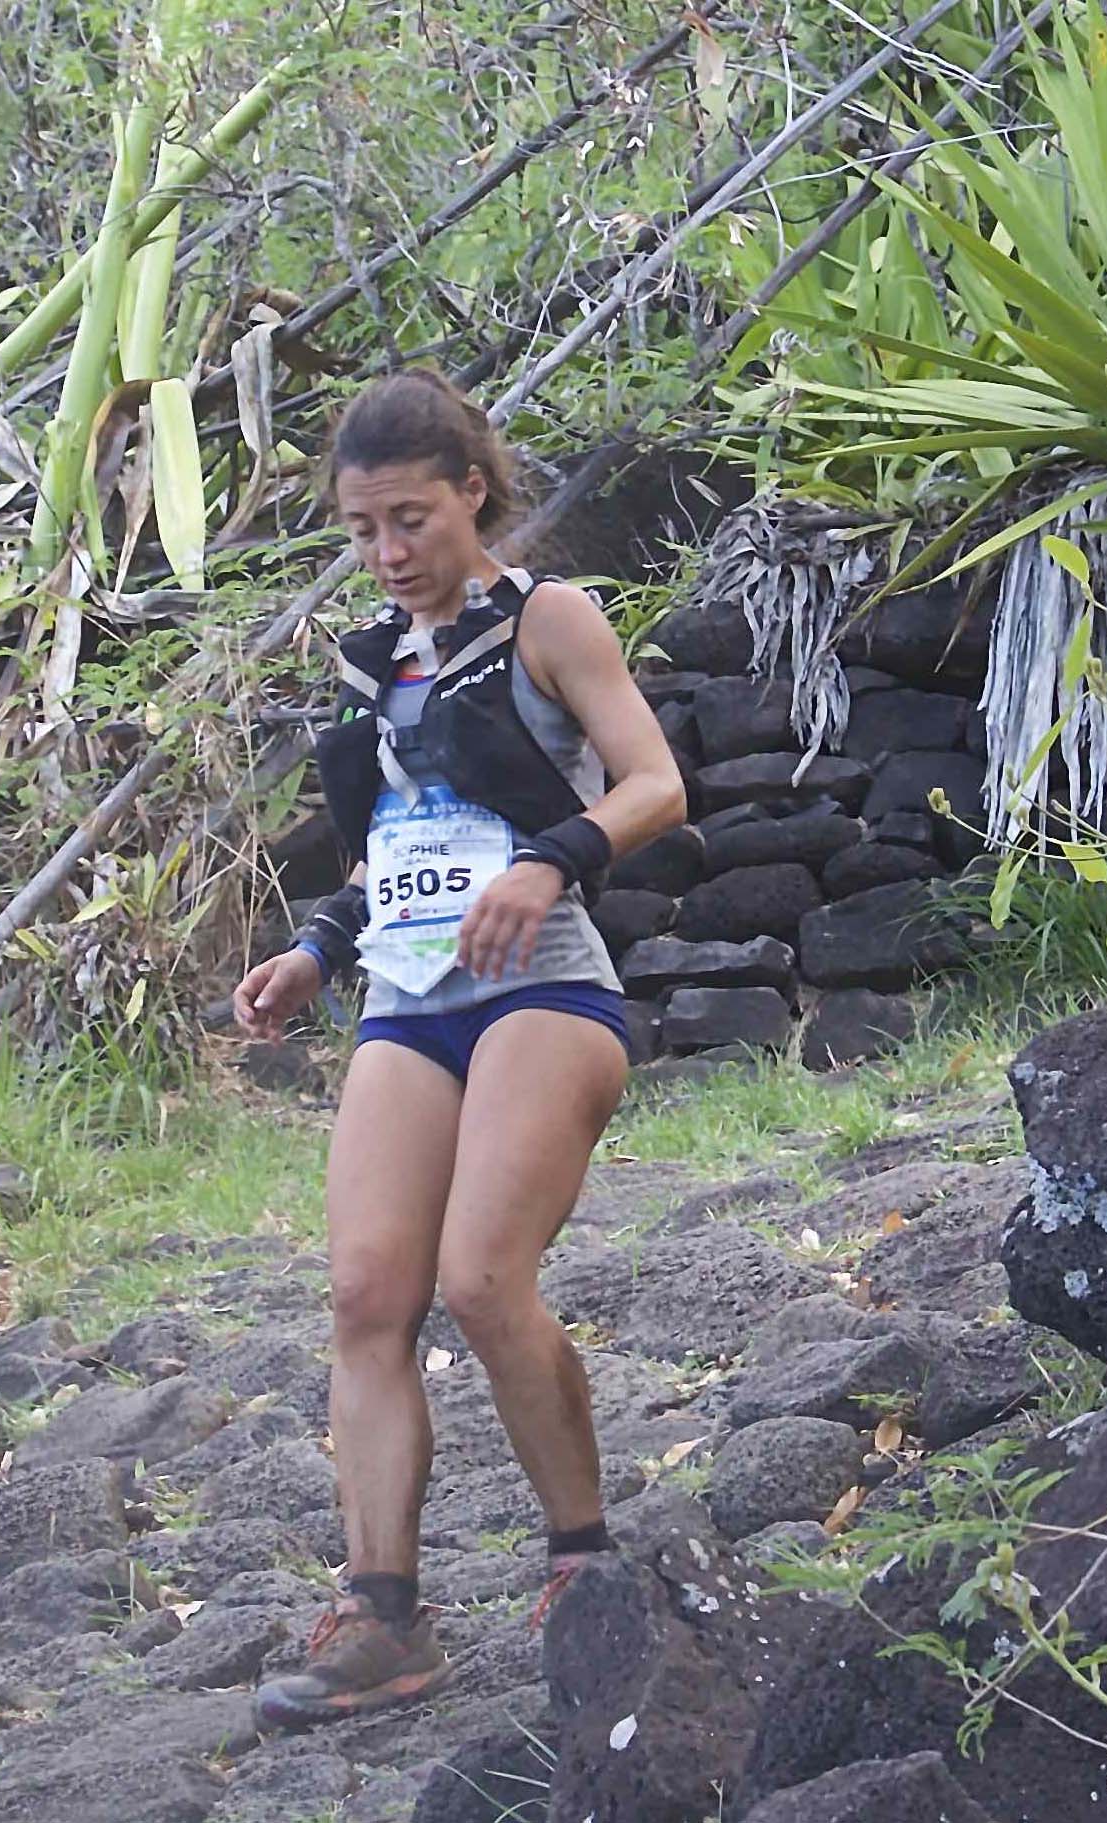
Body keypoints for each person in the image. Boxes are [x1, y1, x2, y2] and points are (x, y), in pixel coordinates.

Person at [231, 369, 688, 1731]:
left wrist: (552, 866)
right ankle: (382, 1618)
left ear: (472, 493)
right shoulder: (374, 659)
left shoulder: (548, 616)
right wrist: (316, 948)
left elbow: (655, 783)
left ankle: (581, 1566)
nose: (386, 554)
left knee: (485, 1283)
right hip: (406, 999)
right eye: (363, 531)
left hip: (544, 988)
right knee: (370, 1298)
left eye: (409, 522)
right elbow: (392, 852)